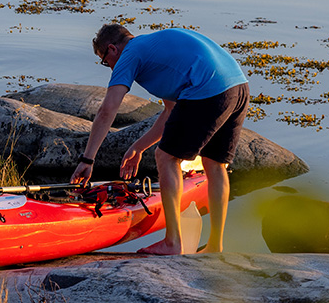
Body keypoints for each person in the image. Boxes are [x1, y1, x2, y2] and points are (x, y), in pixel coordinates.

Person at [70, 23, 248, 254]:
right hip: (238, 87)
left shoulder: (130, 54)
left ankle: (172, 242)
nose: (109, 66)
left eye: (105, 61)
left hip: (208, 91)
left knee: (166, 158)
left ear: (112, 49)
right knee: (214, 164)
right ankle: (215, 246)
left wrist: (88, 159)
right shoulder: (154, 48)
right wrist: (138, 147)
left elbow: (108, 109)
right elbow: (171, 112)